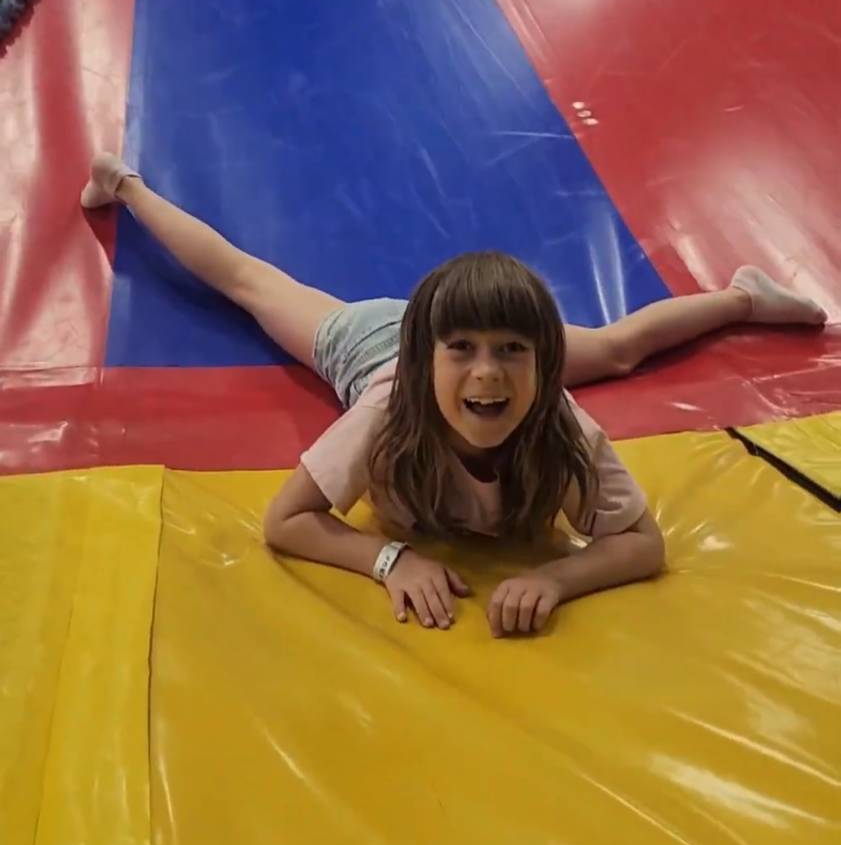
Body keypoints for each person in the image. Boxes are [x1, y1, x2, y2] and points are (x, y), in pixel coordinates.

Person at [81, 153, 825, 636]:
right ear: (426, 359)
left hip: (461, 333)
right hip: (372, 341)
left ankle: (741, 298)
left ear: (542, 364)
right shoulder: (388, 407)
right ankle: (126, 183)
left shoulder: (555, 415)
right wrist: (389, 560)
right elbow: (286, 520)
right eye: (464, 353)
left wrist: (557, 577)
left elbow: (643, 543)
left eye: (512, 356)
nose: (487, 377)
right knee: (250, 283)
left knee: (617, 348)